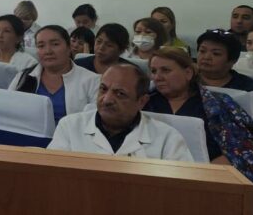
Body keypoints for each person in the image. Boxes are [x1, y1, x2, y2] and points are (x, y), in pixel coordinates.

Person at [144, 48, 253, 182]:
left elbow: (244, 151)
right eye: (154, 71)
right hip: (149, 172)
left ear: (188, 73)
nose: (157, 77)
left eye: (166, 70)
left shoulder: (218, 104)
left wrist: (210, 171)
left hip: (208, 176)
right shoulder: (144, 102)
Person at [47, 64, 193, 162]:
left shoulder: (168, 138)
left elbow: (181, 190)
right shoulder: (70, 126)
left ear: (141, 101)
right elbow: (52, 177)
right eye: (103, 89)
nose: (107, 99)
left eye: (120, 94)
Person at [196, 29, 253, 144]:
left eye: (216, 53)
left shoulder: (250, 87)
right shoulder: (186, 82)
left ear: (232, 60)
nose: (206, 57)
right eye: (202, 51)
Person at [9, 26, 99, 123]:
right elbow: (8, 109)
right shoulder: (24, 76)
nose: (48, 51)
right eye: (41, 46)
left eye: (55, 44)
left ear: (69, 47)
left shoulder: (93, 81)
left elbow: (94, 121)